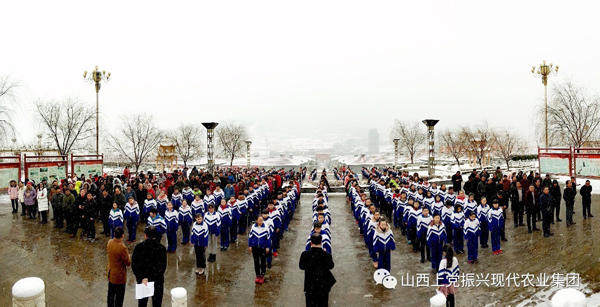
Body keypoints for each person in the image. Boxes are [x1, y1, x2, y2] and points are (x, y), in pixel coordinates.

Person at [132, 226, 167, 307]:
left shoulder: (139, 247)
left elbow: (134, 264)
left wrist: (142, 277)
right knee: (157, 303)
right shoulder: (161, 248)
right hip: (157, 281)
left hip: (143, 282)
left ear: (145, 235)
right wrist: (154, 278)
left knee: (142, 304)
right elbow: (162, 267)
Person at [299, 233, 336, 307]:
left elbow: (301, 266)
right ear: (321, 242)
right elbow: (331, 266)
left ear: (311, 243)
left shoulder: (305, 255)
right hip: (323, 286)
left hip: (310, 285)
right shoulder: (326, 255)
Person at [107, 227, 131, 307]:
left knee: (110, 295)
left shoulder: (110, 242)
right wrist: (129, 256)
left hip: (111, 273)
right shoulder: (122, 247)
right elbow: (128, 262)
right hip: (119, 276)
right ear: (122, 236)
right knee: (119, 298)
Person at [248, 215, 271, 284]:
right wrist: (250, 246)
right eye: (260, 220)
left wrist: (267, 247)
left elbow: (268, 238)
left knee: (263, 262)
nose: (261, 221)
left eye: (262, 220)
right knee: (256, 261)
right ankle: (257, 275)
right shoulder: (253, 227)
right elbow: (250, 237)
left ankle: (262, 275)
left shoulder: (266, 227)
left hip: (263, 247)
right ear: (256, 221)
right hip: (255, 247)